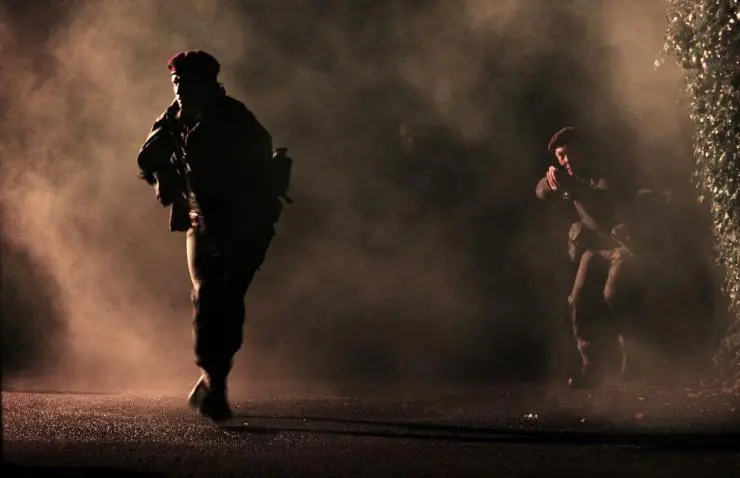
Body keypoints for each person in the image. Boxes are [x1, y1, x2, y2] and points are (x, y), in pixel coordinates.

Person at [136, 50, 284, 421]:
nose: (180, 89)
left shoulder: (237, 119)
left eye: (188, 82)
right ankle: (215, 384)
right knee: (207, 296)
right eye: (176, 82)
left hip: (244, 223)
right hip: (202, 222)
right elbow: (148, 157)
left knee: (228, 302)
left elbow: (261, 174)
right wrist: (164, 178)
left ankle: (213, 378)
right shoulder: (175, 118)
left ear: (209, 83)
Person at [535, 126, 637, 388]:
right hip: (599, 249)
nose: (565, 160)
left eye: (569, 153)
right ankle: (590, 368)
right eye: (561, 156)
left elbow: (602, 204)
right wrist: (551, 181)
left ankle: (633, 364)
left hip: (625, 247)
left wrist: (570, 186)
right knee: (578, 299)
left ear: (582, 150)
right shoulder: (570, 176)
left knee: (613, 295)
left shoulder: (604, 171)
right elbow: (540, 191)